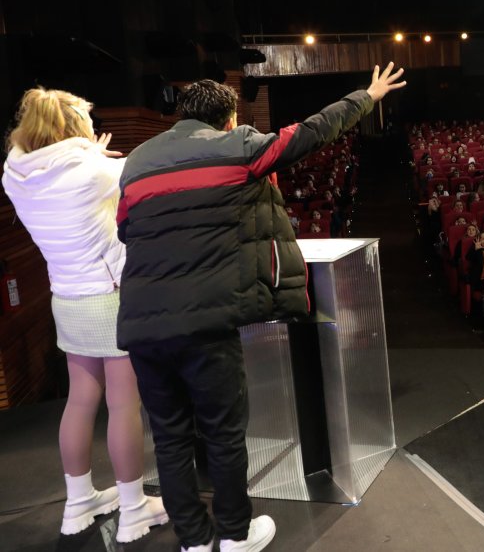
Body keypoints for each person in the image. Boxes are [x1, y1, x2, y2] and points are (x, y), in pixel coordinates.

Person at [116, 63, 406, 552]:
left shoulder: (137, 161)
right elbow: (310, 132)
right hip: (205, 321)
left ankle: (192, 540)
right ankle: (234, 534)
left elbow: (125, 227)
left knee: (169, 438)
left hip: (142, 324)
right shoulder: (237, 147)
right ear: (228, 119)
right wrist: (367, 96)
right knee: (223, 433)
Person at [2, 88, 169, 542]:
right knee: (122, 403)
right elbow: (140, 172)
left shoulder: (13, 175)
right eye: (87, 123)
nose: (95, 130)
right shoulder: (97, 170)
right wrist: (94, 156)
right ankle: (134, 508)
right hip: (109, 297)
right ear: (73, 127)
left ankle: (78, 503)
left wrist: (88, 154)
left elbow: (63, 172)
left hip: (66, 298)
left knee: (80, 399)